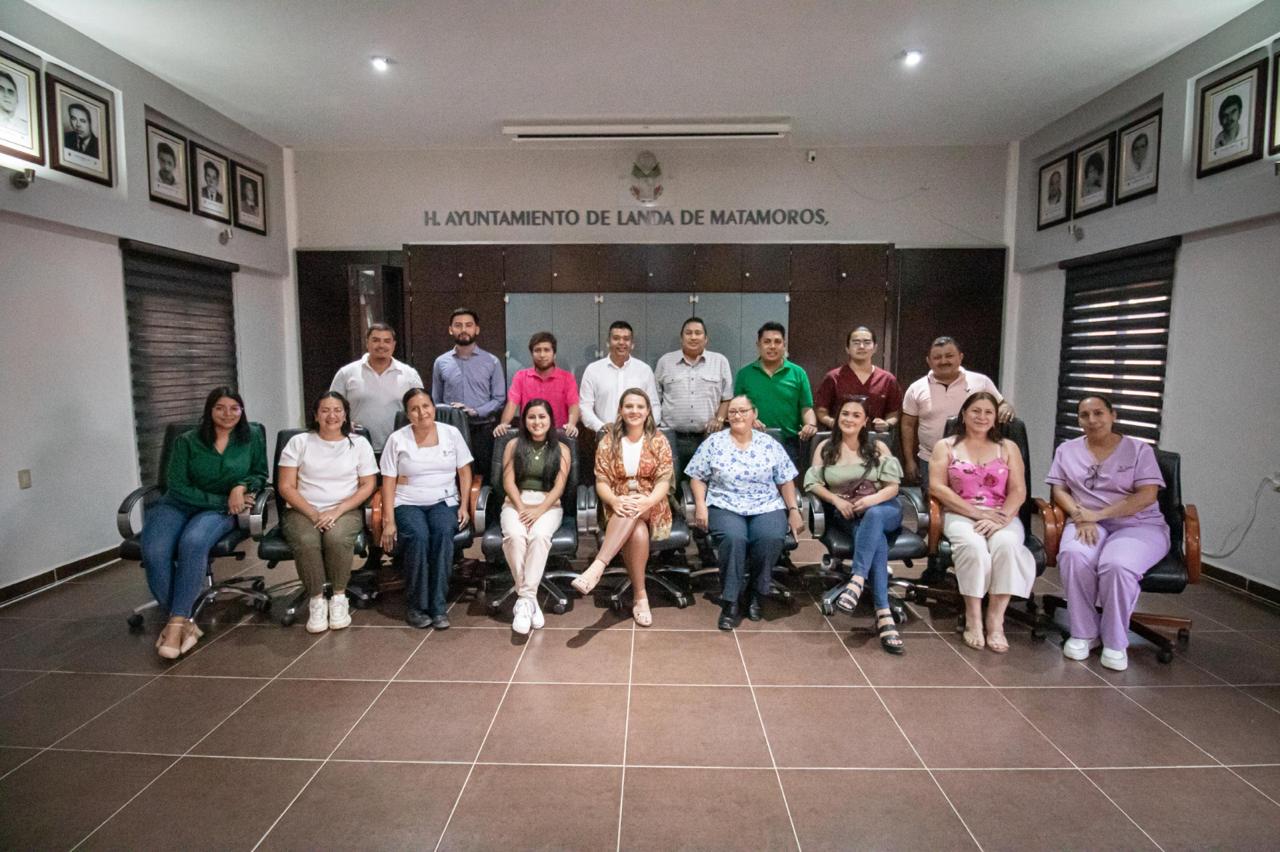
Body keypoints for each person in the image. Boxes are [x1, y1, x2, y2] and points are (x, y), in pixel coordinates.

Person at [141, 387, 267, 659]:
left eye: (234, 408)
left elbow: (260, 474)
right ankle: (183, 621)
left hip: (220, 511)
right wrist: (222, 500)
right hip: (179, 505)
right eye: (220, 408)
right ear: (209, 410)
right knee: (154, 552)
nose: (227, 414)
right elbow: (176, 485)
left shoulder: (252, 436)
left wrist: (241, 486)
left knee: (193, 541)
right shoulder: (187, 441)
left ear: (242, 410)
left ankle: (176, 625)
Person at [1047, 395, 1169, 672]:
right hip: (1086, 521)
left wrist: (1098, 515)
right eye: (1084, 415)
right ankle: (1084, 633)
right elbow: (1059, 490)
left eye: (1098, 413)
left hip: (1139, 525)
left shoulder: (1139, 450)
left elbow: (1147, 496)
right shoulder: (1067, 450)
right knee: (1074, 555)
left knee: (1117, 565)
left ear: (1113, 415)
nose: (1092, 420)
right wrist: (1080, 515)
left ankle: (1115, 640)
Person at [927, 392, 1035, 654]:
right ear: (964, 414)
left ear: (996, 418)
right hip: (960, 512)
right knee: (973, 547)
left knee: (1007, 545)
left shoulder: (1008, 447)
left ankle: (996, 620)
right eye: (976, 411)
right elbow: (937, 487)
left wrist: (1002, 518)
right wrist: (976, 514)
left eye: (988, 412)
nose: (982, 417)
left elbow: (1019, 490)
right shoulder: (946, 446)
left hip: (1001, 514)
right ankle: (973, 617)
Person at [686, 395, 803, 630]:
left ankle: (757, 593)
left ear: (754, 414)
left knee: (770, 537)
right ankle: (731, 601)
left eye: (743, 411)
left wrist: (793, 510)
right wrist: (700, 504)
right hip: (725, 504)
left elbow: (785, 480)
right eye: (732, 412)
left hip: (766, 504)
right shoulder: (714, 442)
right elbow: (697, 477)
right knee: (734, 538)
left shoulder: (769, 443)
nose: (737, 415)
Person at [804, 397, 905, 654]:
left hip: (884, 508)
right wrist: (836, 500)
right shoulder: (826, 448)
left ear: (865, 421)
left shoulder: (878, 447)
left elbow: (893, 487)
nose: (849, 419)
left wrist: (871, 500)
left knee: (874, 516)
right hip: (849, 513)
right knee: (876, 541)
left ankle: (857, 579)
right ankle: (883, 614)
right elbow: (813, 483)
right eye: (845, 414)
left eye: (856, 415)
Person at [275, 391, 378, 633]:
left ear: (345, 415)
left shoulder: (359, 444)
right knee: (306, 539)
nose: (332, 416)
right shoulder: (299, 443)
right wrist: (313, 514)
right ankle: (317, 600)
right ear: (315, 415)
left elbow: (368, 485)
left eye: (337, 410)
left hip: (345, 509)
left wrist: (337, 510)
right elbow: (285, 486)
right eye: (325, 410)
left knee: (337, 537)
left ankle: (339, 597)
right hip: (302, 510)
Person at [571, 388, 673, 627]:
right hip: (618, 505)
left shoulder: (659, 440)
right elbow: (602, 482)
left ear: (648, 411)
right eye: (629, 406)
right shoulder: (609, 441)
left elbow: (663, 481)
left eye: (640, 406)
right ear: (620, 410)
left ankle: (598, 565)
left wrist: (647, 501)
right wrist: (616, 501)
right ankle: (640, 596)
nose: (634, 411)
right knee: (636, 530)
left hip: (653, 504)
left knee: (634, 508)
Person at [379, 388, 473, 629]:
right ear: (407, 414)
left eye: (426, 406)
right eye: (414, 409)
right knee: (418, 536)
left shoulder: (451, 433)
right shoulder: (397, 439)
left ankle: (438, 607)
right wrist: (388, 520)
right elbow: (388, 481)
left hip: (444, 500)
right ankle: (417, 606)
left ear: (434, 407)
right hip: (407, 502)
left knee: (442, 532)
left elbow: (464, 472)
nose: (422, 413)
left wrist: (464, 505)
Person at [900, 336, 1013, 493]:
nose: (943, 361)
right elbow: (907, 424)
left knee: (974, 498)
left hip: (974, 460)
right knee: (935, 502)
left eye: (949, 356)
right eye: (937, 357)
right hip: (931, 459)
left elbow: (1002, 404)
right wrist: (909, 460)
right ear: (929, 361)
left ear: (960, 357)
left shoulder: (981, 382)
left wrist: (1006, 407)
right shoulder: (916, 388)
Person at [500, 398, 572, 635]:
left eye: (542, 416)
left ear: (551, 420)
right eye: (531, 417)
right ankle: (529, 600)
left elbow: (559, 487)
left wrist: (539, 510)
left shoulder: (562, 449)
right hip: (516, 502)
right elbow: (508, 481)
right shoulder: (513, 445)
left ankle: (524, 600)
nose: (537, 421)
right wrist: (521, 507)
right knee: (514, 536)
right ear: (524, 420)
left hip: (548, 504)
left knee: (539, 536)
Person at [431, 307, 505, 479]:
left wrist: (475, 411)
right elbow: (436, 399)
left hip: (482, 430)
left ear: (476, 329)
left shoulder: (492, 361)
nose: (463, 329)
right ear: (450, 329)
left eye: (468, 325)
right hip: (449, 431)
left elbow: (499, 398)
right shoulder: (441, 362)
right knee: (451, 477)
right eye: (458, 325)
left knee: (483, 478)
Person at [733, 321, 817, 471]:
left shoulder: (798, 373)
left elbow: (806, 407)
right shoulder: (745, 374)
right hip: (751, 441)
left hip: (789, 444)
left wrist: (810, 425)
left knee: (786, 483)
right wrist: (750, 420)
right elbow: (736, 410)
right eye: (767, 342)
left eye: (777, 342)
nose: (772, 346)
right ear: (758, 345)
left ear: (784, 345)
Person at [330, 323, 424, 455]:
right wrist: (344, 423)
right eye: (376, 340)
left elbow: (422, 409)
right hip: (355, 447)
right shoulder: (347, 373)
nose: (381, 345)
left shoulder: (409, 374)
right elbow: (331, 407)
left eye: (387, 341)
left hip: (400, 448)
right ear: (367, 343)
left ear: (394, 345)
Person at [654, 316, 733, 471]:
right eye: (688, 333)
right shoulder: (665, 362)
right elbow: (655, 398)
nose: (693, 337)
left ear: (706, 339)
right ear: (681, 338)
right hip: (670, 437)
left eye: (698, 333)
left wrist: (719, 419)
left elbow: (727, 397)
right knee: (670, 480)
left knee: (704, 480)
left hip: (708, 437)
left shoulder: (720, 361)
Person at [814, 326, 903, 432]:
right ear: (847, 349)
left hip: (874, 437)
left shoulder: (887, 379)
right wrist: (834, 423)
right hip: (840, 437)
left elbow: (894, 413)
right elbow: (821, 411)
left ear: (875, 348)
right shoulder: (833, 377)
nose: (861, 346)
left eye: (867, 342)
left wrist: (887, 424)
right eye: (856, 342)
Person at [494, 331, 579, 439]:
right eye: (537, 350)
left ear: (554, 354)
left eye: (546, 350)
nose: (542, 355)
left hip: (558, 436)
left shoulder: (567, 378)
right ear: (532, 354)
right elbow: (512, 403)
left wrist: (571, 424)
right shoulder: (521, 376)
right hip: (528, 436)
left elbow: (573, 405)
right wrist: (503, 424)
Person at [579, 321, 661, 432]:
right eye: (616, 338)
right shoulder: (593, 370)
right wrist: (601, 426)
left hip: (639, 435)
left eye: (626, 339)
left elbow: (654, 406)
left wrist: (646, 428)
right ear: (608, 342)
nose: (621, 342)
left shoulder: (644, 370)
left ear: (632, 344)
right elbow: (584, 407)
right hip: (605, 435)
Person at [0, 69, 31, 144]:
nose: (6, 95)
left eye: (10, 91)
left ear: (17, 99)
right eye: (1, 89)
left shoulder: (25, 128)